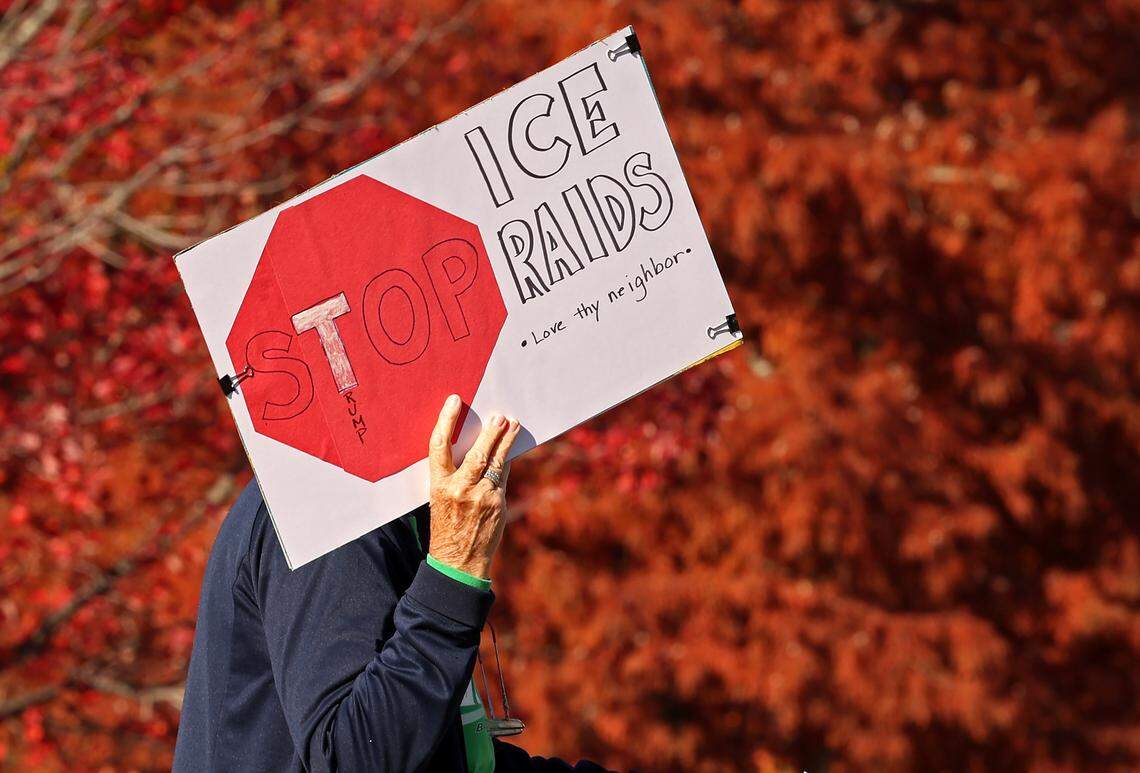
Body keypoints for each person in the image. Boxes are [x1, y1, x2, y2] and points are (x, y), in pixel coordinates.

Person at [173, 394, 610, 772]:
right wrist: (454, 572)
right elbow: (353, 759)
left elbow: (441, 760)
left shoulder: (389, 499)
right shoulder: (333, 506)